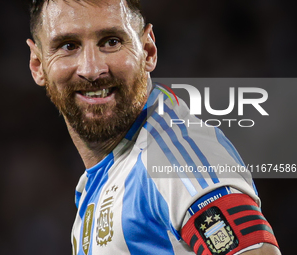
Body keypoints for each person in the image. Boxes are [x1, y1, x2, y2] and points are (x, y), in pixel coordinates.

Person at [27, 0, 281, 254]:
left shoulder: (172, 156)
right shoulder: (104, 177)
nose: (92, 70)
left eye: (111, 41)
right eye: (68, 46)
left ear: (148, 51)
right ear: (38, 65)